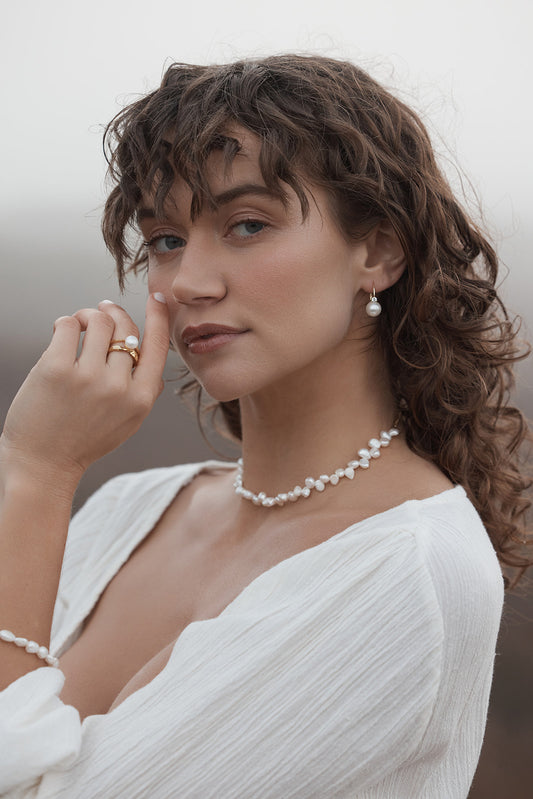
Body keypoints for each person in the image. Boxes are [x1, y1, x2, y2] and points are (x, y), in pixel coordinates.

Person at [0, 54, 530, 798]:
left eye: (246, 224)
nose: (186, 282)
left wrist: (35, 473)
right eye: (164, 239)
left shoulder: (408, 573)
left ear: (377, 249)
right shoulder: (131, 509)